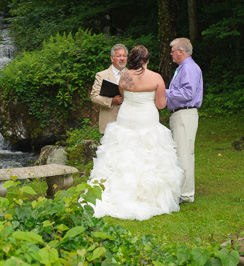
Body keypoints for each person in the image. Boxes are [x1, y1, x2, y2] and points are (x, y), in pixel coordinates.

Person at [85, 45, 184, 221]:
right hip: (145, 118)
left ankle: (118, 192)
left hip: (125, 118)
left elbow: (123, 96)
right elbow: (161, 104)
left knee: (124, 152)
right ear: (146, 60)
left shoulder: (125, 76)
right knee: (148, 153)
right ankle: (147, 196)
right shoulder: (155, 77)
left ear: (132, 59)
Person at [166, 37, 203, 204]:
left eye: (173, 51)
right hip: (181, 114)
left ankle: (186, 194)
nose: (171, 54)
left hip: (185, 114)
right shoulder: (184, 68)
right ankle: (183, 190)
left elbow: (188, 94)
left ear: (181, 51)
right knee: (182, 153)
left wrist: (165, 93)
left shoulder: (189, 68)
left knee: (184, 154)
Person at [90, 44, 128, 134]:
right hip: (109, 123)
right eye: (118, 56)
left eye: (124, 56)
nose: (122, 58)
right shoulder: (102, 75)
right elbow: (94, 97)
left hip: (128, 124)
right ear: (112, 58)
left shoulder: (132, 75)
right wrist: (111, 101)